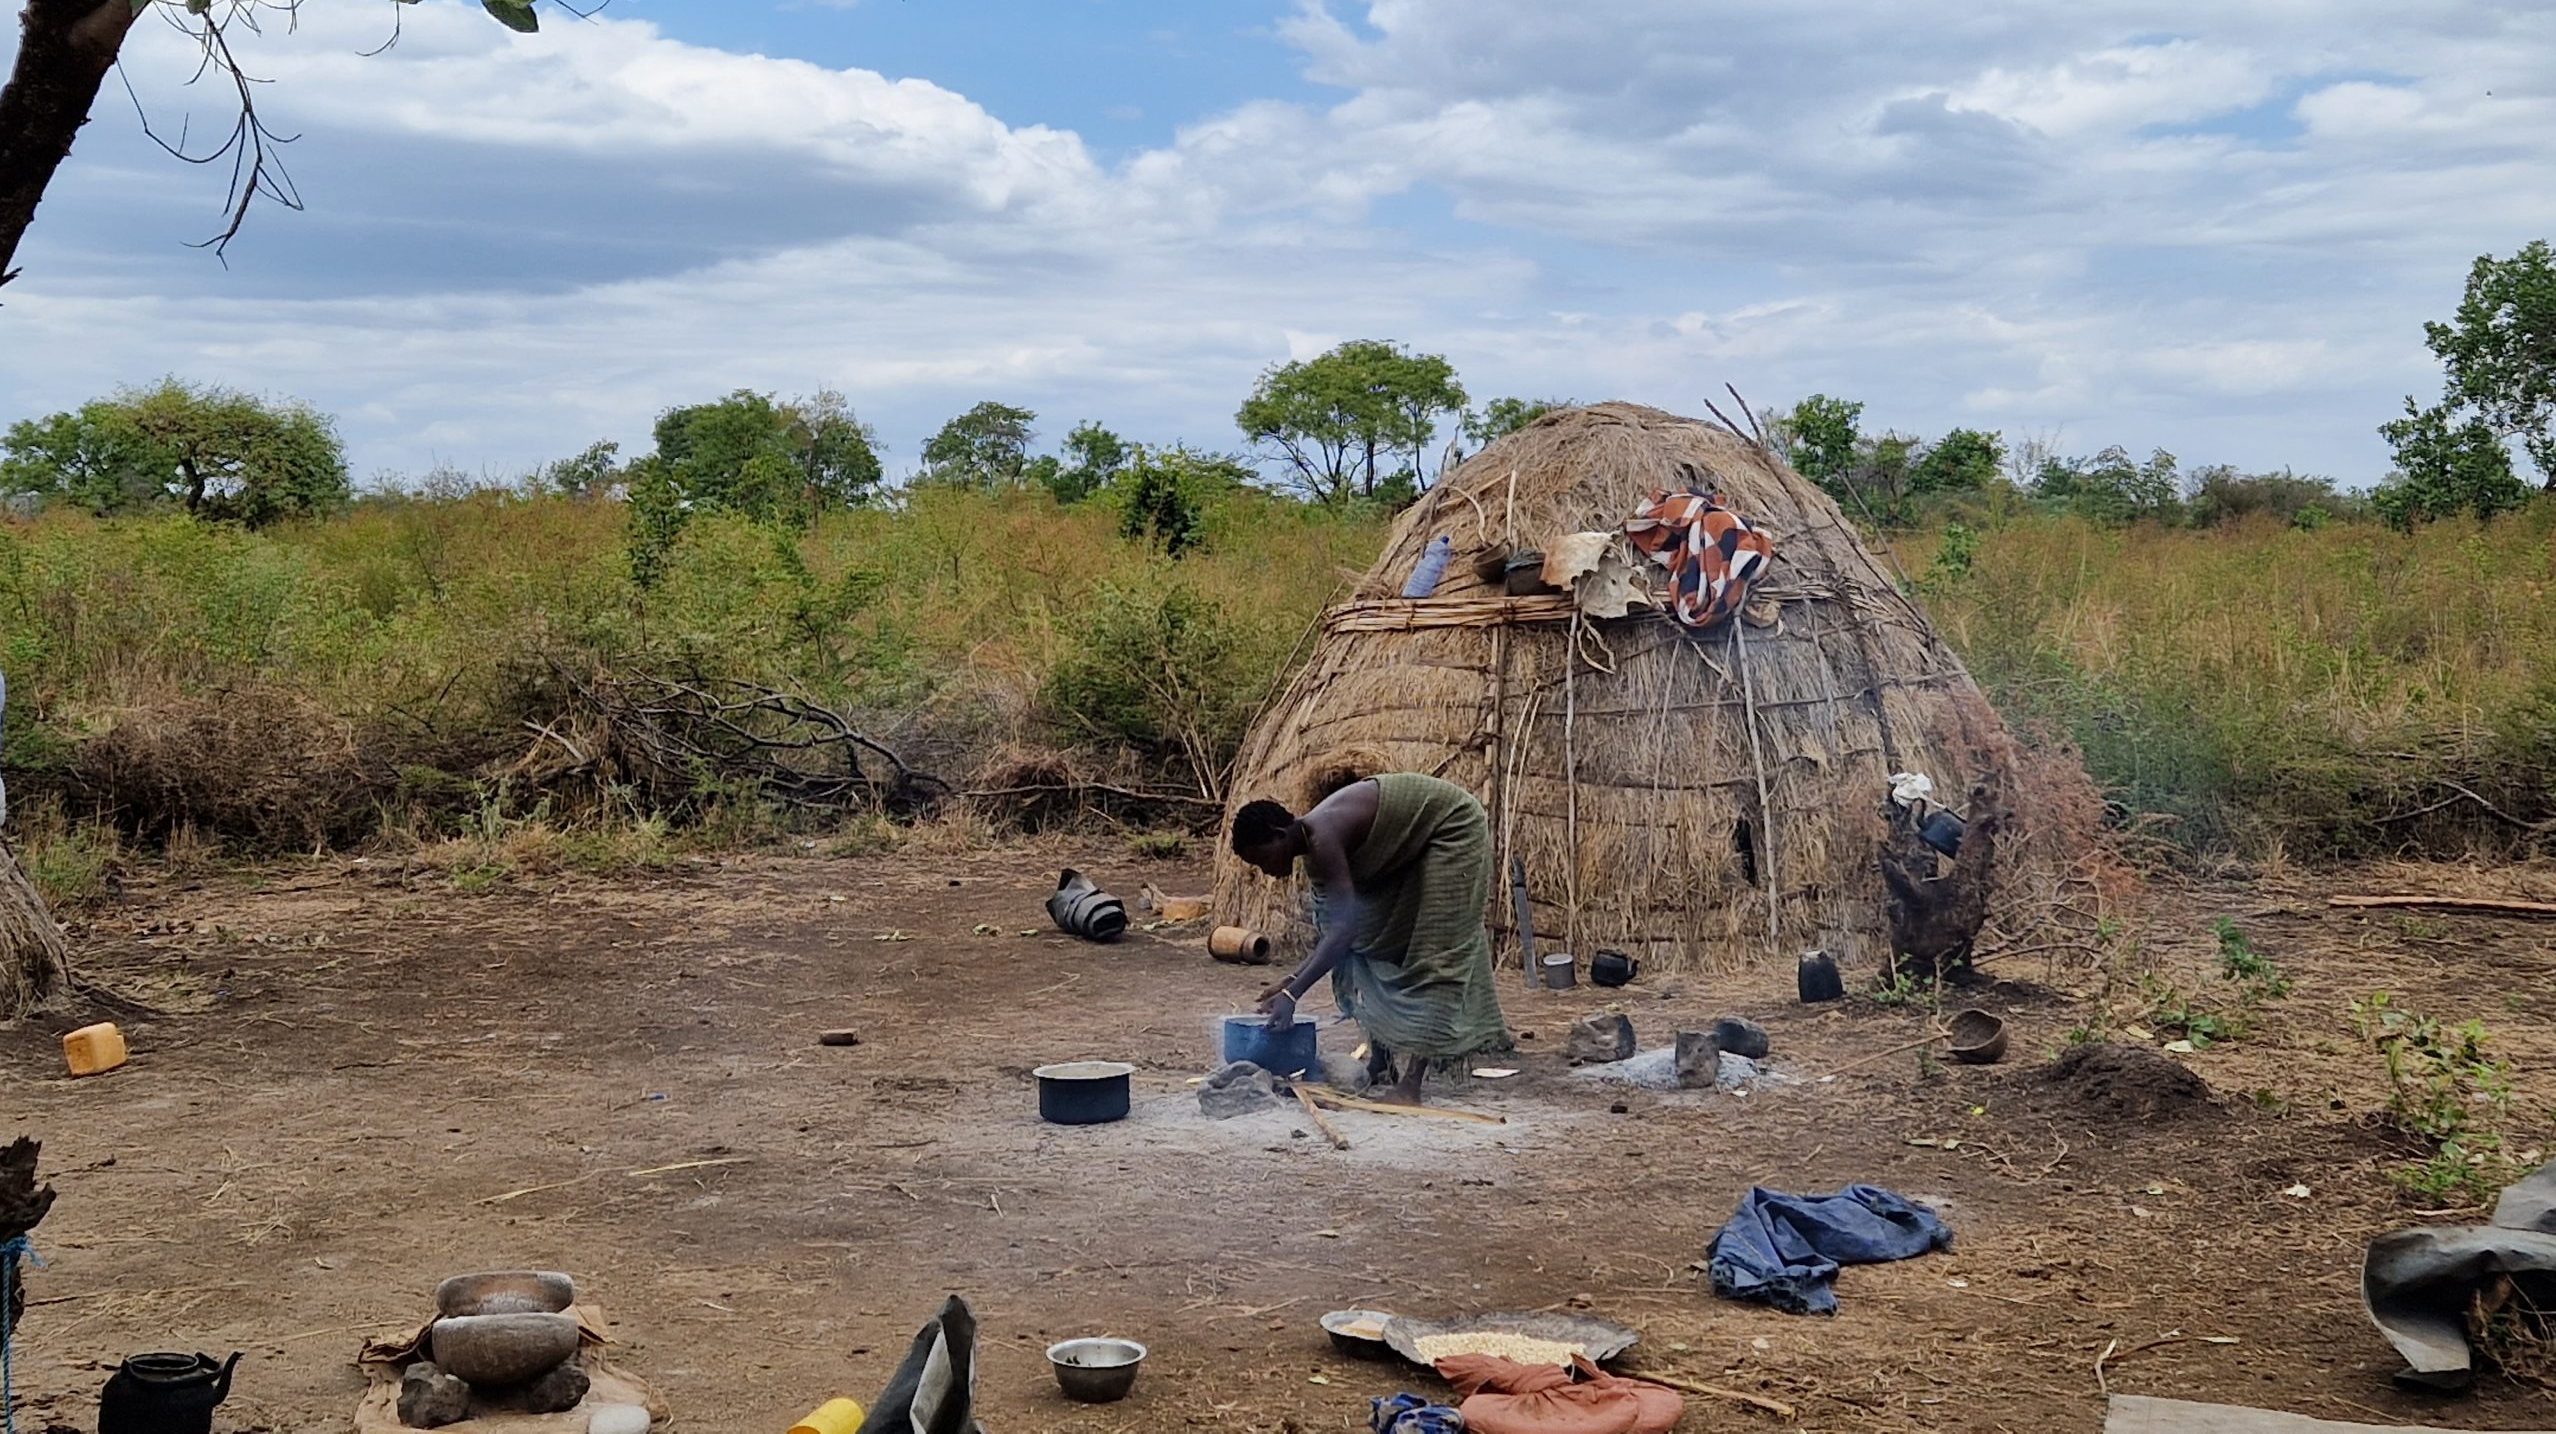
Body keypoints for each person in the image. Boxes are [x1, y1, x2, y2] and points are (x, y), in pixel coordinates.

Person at [1231, 772, 1512, 1104]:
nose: (1265, 871)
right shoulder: (1312, 853)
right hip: (1415, 842)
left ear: (1279, 835)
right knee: (1369, 937)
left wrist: (1293, 995)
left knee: (1436, 950)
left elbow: (1344, 932)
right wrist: (1290, 982)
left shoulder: (1323, 838)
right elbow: (1340, 933)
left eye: (1263, 859)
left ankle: (1410, 1086)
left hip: (1452, 828)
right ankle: (1382, 1061)